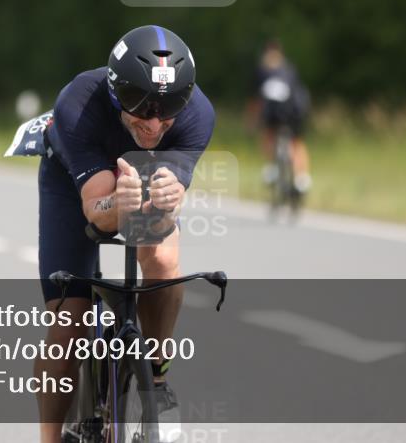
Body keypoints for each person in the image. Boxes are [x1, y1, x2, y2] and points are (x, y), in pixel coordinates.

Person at [34, 25, 214, 443]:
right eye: (140, 104)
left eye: (168, 107)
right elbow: (97, 213)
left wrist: (170, 194)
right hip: (73, 182)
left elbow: (171, 198)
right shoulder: (78, 103)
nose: (153, 121)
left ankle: (156, 372)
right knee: (68, 330)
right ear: (116, 91)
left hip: (142, 178)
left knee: (165, 262)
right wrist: (119, 203)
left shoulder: (198, 113)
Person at [248, 39, 312, 194]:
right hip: (295, 113)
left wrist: (252, 121)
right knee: (297, 143)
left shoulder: (262, 71)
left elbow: (256, 101)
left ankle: (273, 167)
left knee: (268, 135)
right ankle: (302, 178)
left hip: (275, 114)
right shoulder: (290, 69)